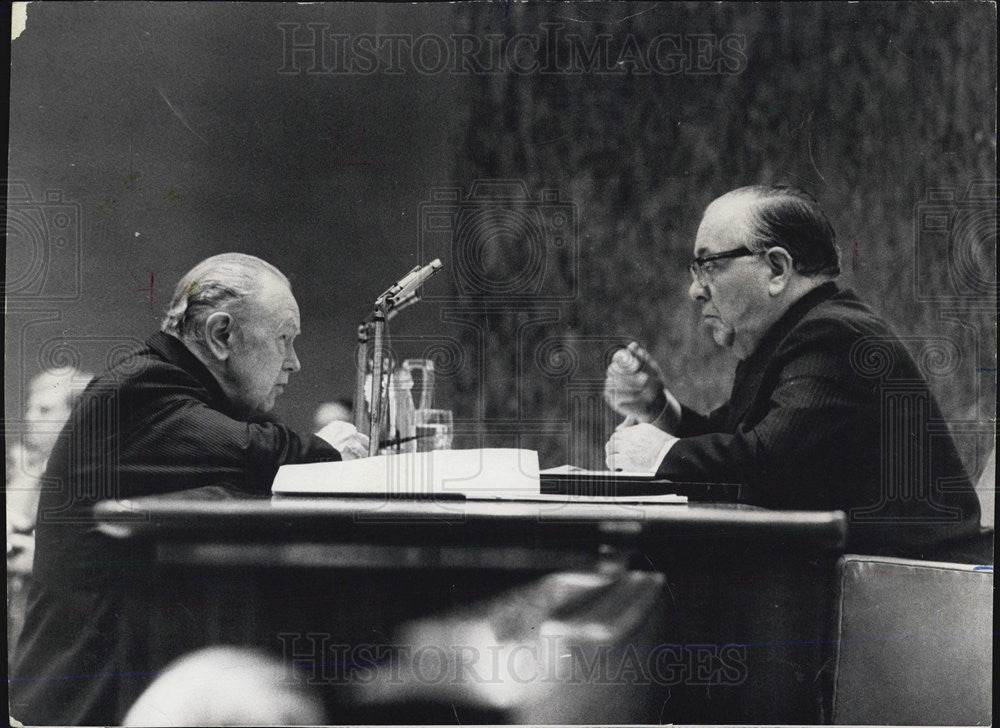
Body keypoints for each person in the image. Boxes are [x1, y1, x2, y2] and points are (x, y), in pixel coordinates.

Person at [9, 253, 369, 726]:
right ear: (221, 336)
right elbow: (261, 453)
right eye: (284, 340)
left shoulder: (176, 389)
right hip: (83, 707)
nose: (295, 362)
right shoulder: (143, 388)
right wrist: (329, 448)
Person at [604, 186, 984, 560]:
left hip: (910, 588)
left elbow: (766, 465)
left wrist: (661, 454)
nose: (695, 290)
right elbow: (738, 443)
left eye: (709, 266)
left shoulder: (834, 336)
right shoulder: (802, 333)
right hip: (877, 579)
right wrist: (658, 409)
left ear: (777, 269)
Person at [7, 367, 94, 648]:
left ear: (76, 417)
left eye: (44, 410)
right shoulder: (22, 467)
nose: (30, 418)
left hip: (66, 628)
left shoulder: (93, 477)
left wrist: (43, 560)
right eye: (30, 408)